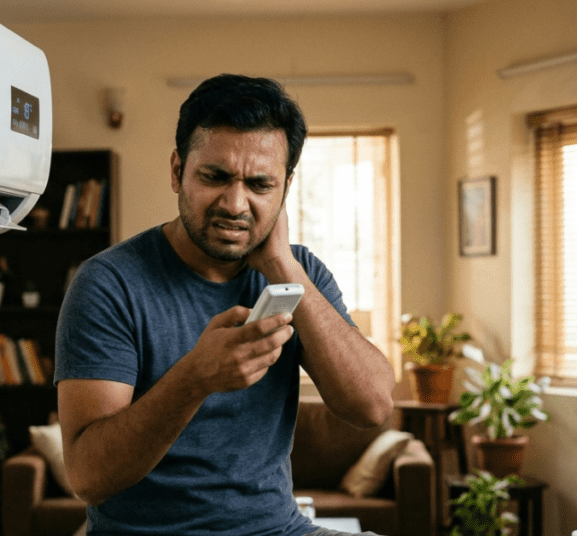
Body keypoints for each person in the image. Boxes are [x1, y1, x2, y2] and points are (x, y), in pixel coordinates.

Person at [55, 73, 396, 536]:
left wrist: (281, 265)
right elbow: (89, 478)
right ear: (177, 171)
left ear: (286, 188)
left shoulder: (300, 273)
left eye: (259, 184)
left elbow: (373, 405)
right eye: (215, 177)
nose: (235, 204)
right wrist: (195, 378)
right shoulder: (108, 283)